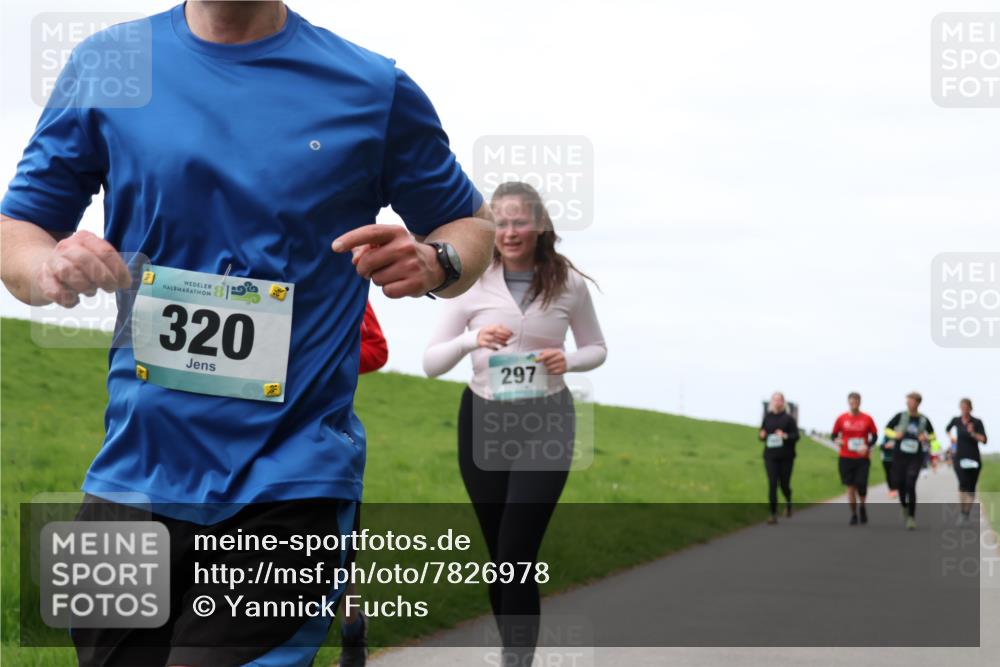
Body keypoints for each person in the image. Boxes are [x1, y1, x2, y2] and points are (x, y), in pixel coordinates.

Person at [0, 2, 494, 664]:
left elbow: (472, 227)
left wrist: (440, 260)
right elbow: (19, 229)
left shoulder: (372, 89)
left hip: (289, 482)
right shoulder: (109, 63)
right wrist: (48, 265)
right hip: (132, 476)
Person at [423, 181, 607, 665]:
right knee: (500, 555)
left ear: (540, 225)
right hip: (483, 419)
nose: (509, 231)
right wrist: (471, 341)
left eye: (519, 221)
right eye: (499, 222)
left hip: (547, 420)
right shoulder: (473, 280)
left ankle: (517, 659)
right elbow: (430, 361)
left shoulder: (567, 282)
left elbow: (597, 347)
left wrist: (568, 358)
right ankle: (513, 651)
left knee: (516, 551)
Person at [339, 301, 388, 667]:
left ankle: (352, 629)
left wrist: (313, 359)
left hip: (315, 429)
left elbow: (376, 349)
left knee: (337, 550)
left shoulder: (329, 268)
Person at [885, 392, 940, 531]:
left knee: (911, 483)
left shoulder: (923, 419)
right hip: (900, 455)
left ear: (917, 402)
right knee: (901, 485)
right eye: (907, 401)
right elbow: (887, 429)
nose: (908, 403)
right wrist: (895, 434)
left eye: (910, 401)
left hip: (915, 456)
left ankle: (911, 517)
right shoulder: (900, 416)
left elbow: (933, 436)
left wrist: (926, 437)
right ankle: (904, 506)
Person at [831, 392, 879, 525]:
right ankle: (853, 514)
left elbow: (875, 437)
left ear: (860, 402)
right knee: (850, 487)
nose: (854, 404)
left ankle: (862, 506)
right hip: (846, 457)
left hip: (862, 458)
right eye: (851, 401)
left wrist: (867, 446)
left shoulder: (867, 418)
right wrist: (837, 440)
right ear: (848, 402)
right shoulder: (841, 418)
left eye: (856, 401)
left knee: (861, 485)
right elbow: (833, 435)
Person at [759, 392, 800, 524]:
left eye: (779, 400)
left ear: (783, 402)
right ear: (771, 402)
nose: (777, 402)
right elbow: (762, 434)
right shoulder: (768, 418)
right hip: (770, 456)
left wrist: (785, 435)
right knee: (772, 484)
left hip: (786, 457)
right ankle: (773, 514)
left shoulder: (788, 419)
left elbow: (796, 436)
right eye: (774, 400)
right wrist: (762, 435)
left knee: (784, 484)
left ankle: (788, 503)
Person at [946, 398, 988, 524]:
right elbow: (947, 429)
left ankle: (966, 513)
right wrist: (951, 438)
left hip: (974, 458)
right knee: (962, 484)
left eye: (966, 407)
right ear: (960, 408)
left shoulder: (977, 422)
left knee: (971, 487)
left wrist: (973, 433)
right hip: (959, 457)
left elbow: (985, 440)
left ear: (970, 408)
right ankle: (963, 511)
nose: (964, 409)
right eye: (962, 407)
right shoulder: (956, 420)